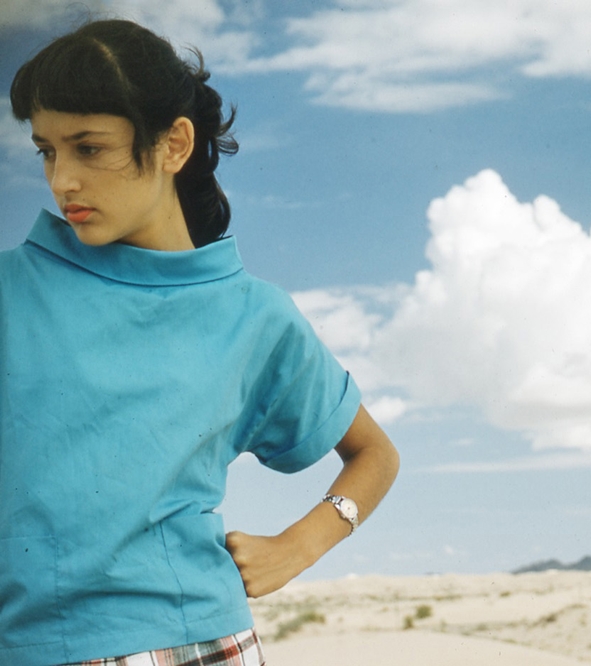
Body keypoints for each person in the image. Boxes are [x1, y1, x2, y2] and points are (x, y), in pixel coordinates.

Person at [0, 18, 400, 666]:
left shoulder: (253, 316)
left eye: (89, 148)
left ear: (173, 144)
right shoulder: (11, 292)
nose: (62, 179)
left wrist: (299, 545)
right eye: (47, 150)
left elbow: (375, 454)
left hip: (205, 646)